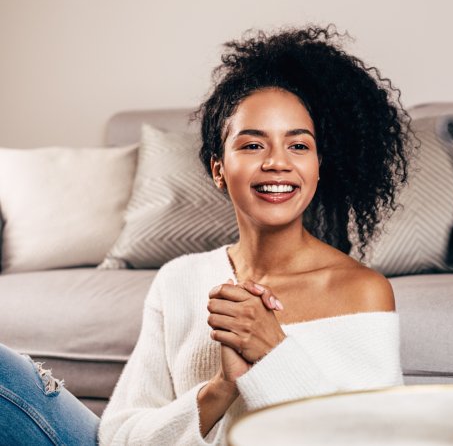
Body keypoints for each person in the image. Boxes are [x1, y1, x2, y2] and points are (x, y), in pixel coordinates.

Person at [0, 25, 411, 445]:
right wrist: (221, 388)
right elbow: (120, 436)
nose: (277, 162)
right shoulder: (179, 279)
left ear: (319, 167)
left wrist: (272, 352)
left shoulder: (361, 291)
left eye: (298, 146)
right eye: (253, 145)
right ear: (219, 169)